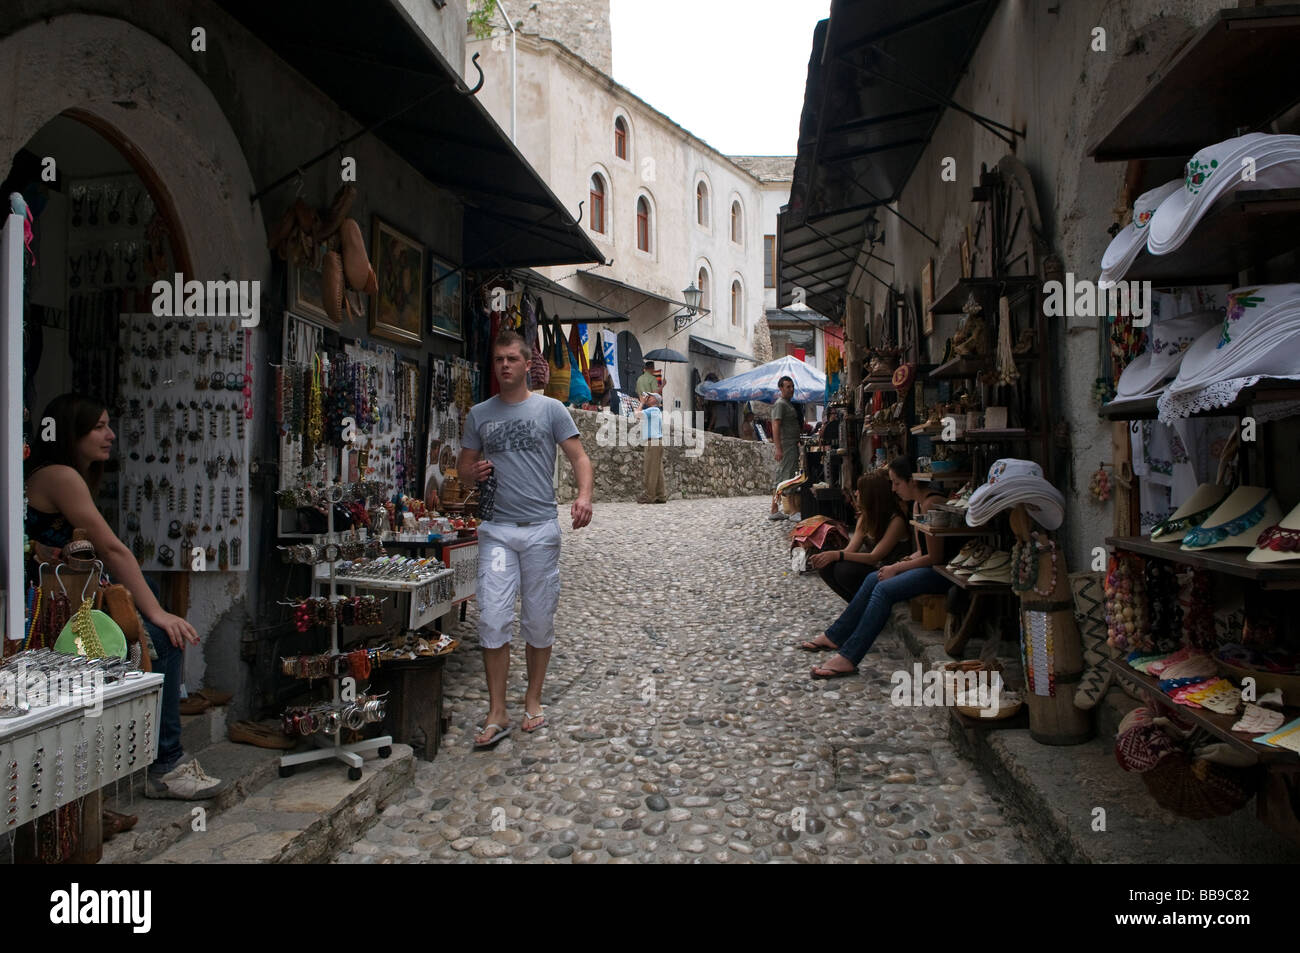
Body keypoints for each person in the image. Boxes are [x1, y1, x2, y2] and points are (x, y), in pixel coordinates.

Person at [24, 393, 226, 800]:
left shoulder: (67, 474)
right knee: (160, 639)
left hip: (66, 593)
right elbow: (112, 549)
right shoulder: (61, 475)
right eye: (98, 426)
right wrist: (159, 613)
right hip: (46, 604)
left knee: (147, 613)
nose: (110, 434)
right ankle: (165, 765)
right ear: (71, 433)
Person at [459, 330, 594, 746]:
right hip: (497, 531)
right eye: (499, 359)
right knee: (494, 618)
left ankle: (533, 700)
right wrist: (472, 473)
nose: (504, 365)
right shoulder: (480, 414)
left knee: (538, 619)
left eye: (512, 359)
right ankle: (497, 710)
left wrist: (584, 496)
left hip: (539, 531)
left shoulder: (550, 409)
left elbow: (579, 456)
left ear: (526, 362)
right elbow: (463, 466)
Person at [800, 457, 951, 677]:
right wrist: (904, 562)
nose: (894, 489)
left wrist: (897, 568)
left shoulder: (930, 504)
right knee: (874, 579)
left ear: (912, 481)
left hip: (942, 572)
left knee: (883, 588)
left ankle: (848, 657)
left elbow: (936, 557)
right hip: (926, 566)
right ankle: (835, 636)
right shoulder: (918, 505)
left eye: (897, 483)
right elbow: (922, 551)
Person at [806, 472, 910, 604]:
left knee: (845, 570)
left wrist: (836, 555)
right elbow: (850, 550)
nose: (856, 494)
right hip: (877, 569)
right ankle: (858, 605)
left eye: (859, 491)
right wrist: (827, 556)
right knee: (827, 567)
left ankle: (864, 606)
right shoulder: (865, 518)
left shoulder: (896, 521)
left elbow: (874, 557)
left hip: (891, 571)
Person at [767, 375, 800, 520]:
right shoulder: (781, 404)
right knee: (788, 478)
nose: (791, 389)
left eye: (792, 386)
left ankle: (774, 510)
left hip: (791, 444)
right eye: (788, 387)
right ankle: (793, 510)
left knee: (781, 478)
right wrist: (778, 448)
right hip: (786, 445)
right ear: (781, 388)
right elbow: (775, 425)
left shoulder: (787, 403)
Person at [635, 393, 666, 504]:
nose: (648, 397)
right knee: (657, 470)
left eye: (650, 397)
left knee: (650, 470)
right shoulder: (656, 411)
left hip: (652, 442)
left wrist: (642, 403)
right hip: (657, 442)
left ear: (655, 400)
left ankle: (649, 496)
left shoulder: (652, 410)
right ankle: (660, 495)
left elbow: (637, 415)